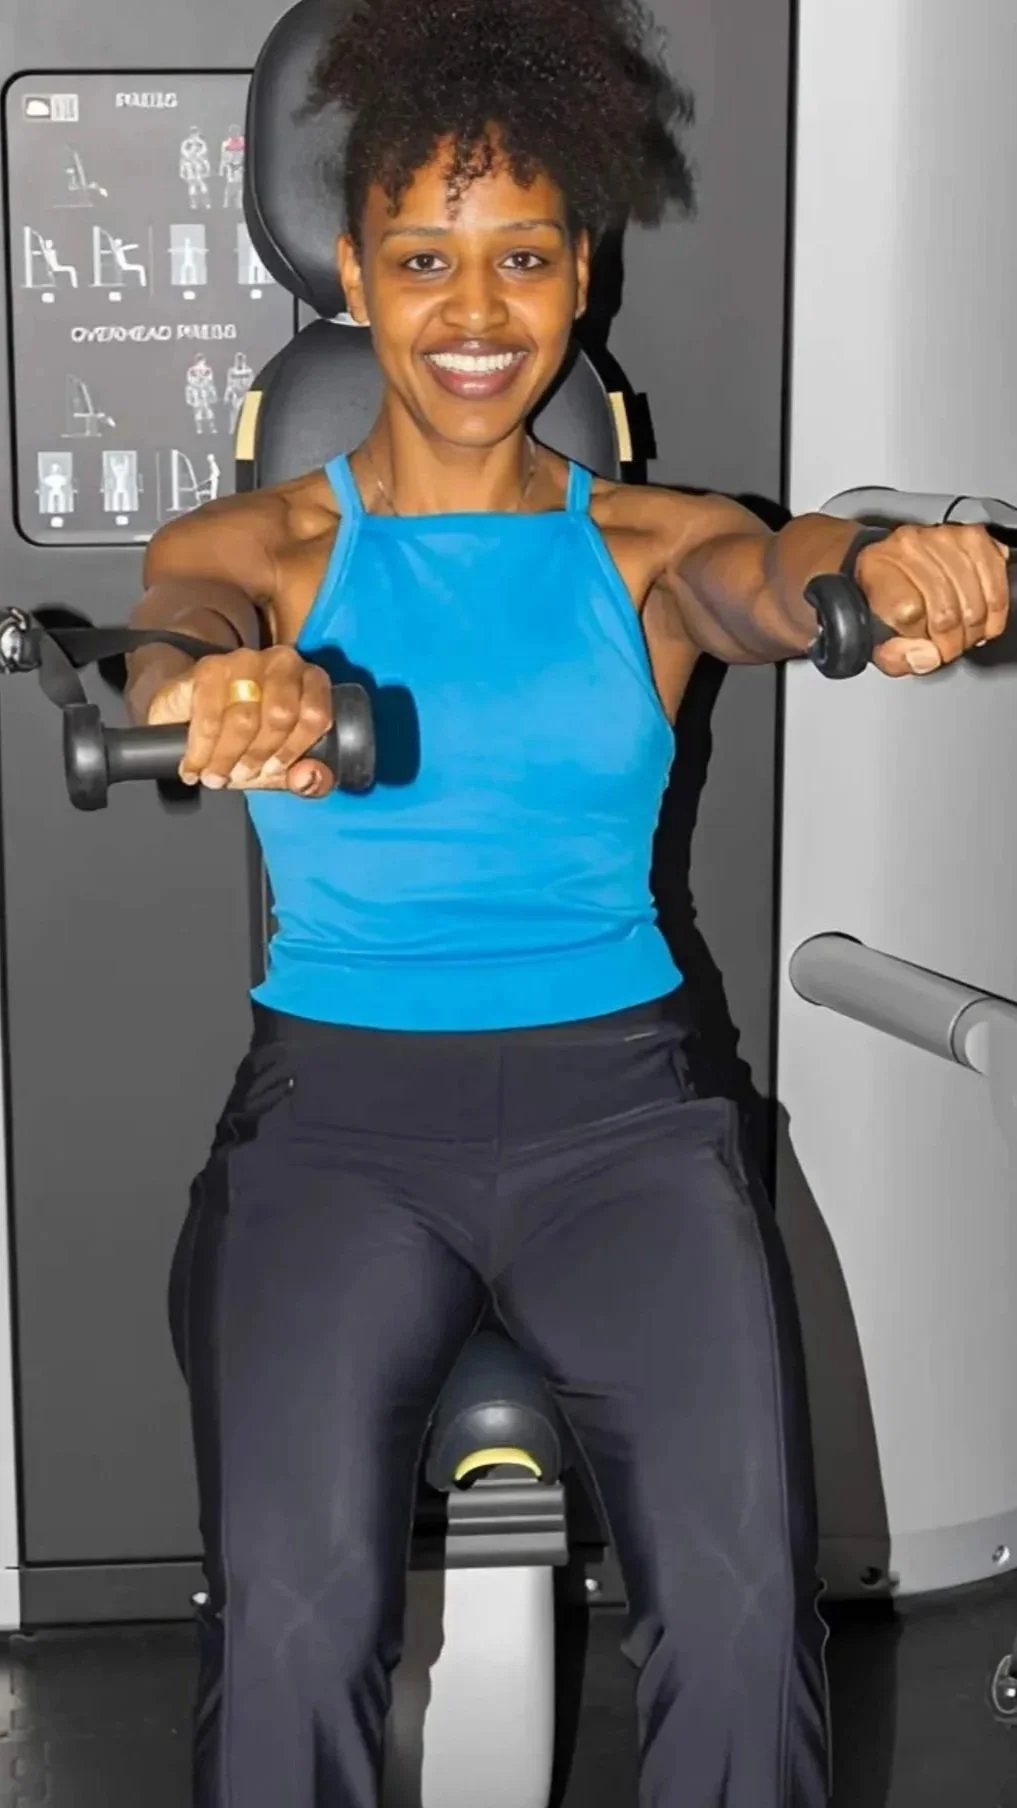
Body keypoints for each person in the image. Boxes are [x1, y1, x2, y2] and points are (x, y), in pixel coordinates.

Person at [123, 2, 1011, 1805]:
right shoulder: (254, 551)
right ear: (354, 279)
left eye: (521, 258)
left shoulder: (658, 548)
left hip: (628, 1121)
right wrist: (214, 692)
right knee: (294, 1628)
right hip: (338, 1122)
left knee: (748, 1618)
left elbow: (784, 575)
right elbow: (173, 642)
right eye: (423, 261)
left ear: (580, 272)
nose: (475, 311)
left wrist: (890, 564)